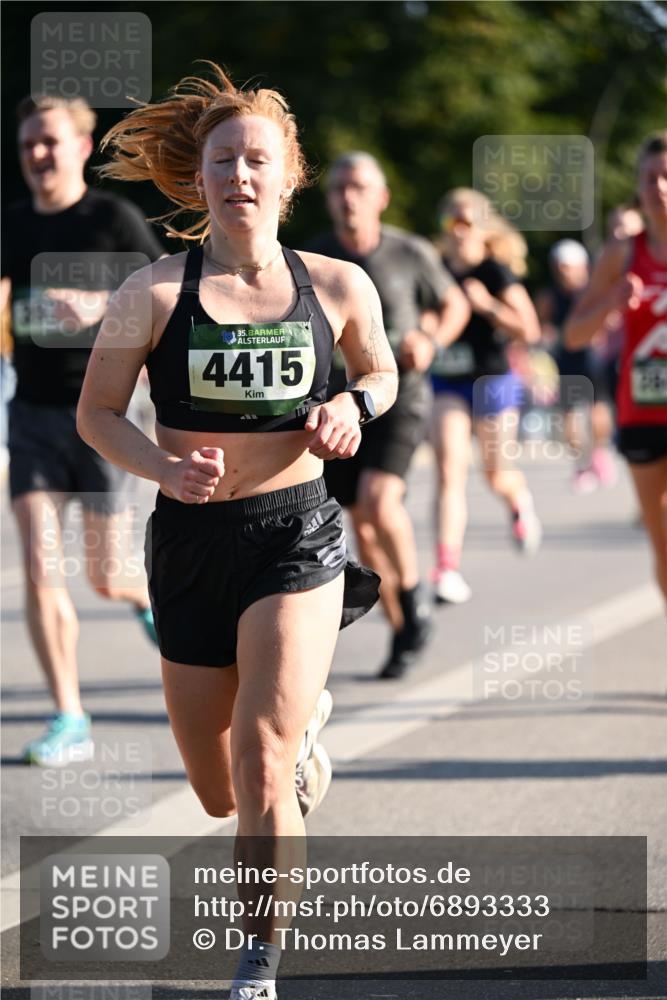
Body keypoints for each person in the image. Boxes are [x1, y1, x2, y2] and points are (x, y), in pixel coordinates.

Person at [77, 65, 397, 1000]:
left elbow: (379, 371)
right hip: (189, 541)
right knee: (218, 790)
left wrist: (353, 407)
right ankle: (300, 747)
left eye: (258, 159)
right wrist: (161, 467)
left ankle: (257, 959)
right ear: (202, 178)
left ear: (288, 174)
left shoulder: (336, 285)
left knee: (258, 754)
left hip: (293, 535)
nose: (239, 175)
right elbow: (98, 415)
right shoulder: (152, 293)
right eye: (223, 160)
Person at [1, 94, 165, 766]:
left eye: (50, 140)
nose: (38, 153)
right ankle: (69, 714)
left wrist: (101, 304)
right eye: (28, 144)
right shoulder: (11, 224)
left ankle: (152, 606)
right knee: (42, 565)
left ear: (78, 145)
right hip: (35, 414)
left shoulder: (112, 219)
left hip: (105, 415)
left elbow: (165, 292)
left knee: (105, 575)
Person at [307, 152, 470, 678]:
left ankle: (417, 595)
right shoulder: (316, 259)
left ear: (381, 197)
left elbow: (456, 304)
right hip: (339, 404)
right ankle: (403, 626)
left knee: (381, 498)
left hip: (399, 393)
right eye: (338, 188)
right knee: (361, 521)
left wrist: (431, 338)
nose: (347, 197)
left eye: (358, 187)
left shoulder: (409, 251)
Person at [566, 131, 667, 606]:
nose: (660, 187)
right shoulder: (622, 255)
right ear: (639, 186)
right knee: (661, 537)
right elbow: (574, 335)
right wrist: (610, 301)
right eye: (651, 178)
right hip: (641, 410)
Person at [429, 188, 542, 605]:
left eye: (467, 222)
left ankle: (519, 500)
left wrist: (488, 305)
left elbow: (529, 330)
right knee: (449, 470)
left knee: (495, 473)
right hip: (448, 381)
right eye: (450, 222)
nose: (458, 231)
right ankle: (446, 567)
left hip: (492, 381)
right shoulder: (437, 269)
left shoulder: (496, 272)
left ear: (482, 228)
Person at [536, 239, 616, 494]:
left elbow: (612, 318)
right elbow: (541, 325)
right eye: (561, 267)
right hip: (566, 360)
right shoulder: (550, 296)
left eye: (569, 267)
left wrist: (601, 330)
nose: (565, 272)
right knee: (568, 420)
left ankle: (599, 453)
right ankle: (582, 463)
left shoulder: (594, 291)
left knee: (598, 414)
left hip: (593, 358)